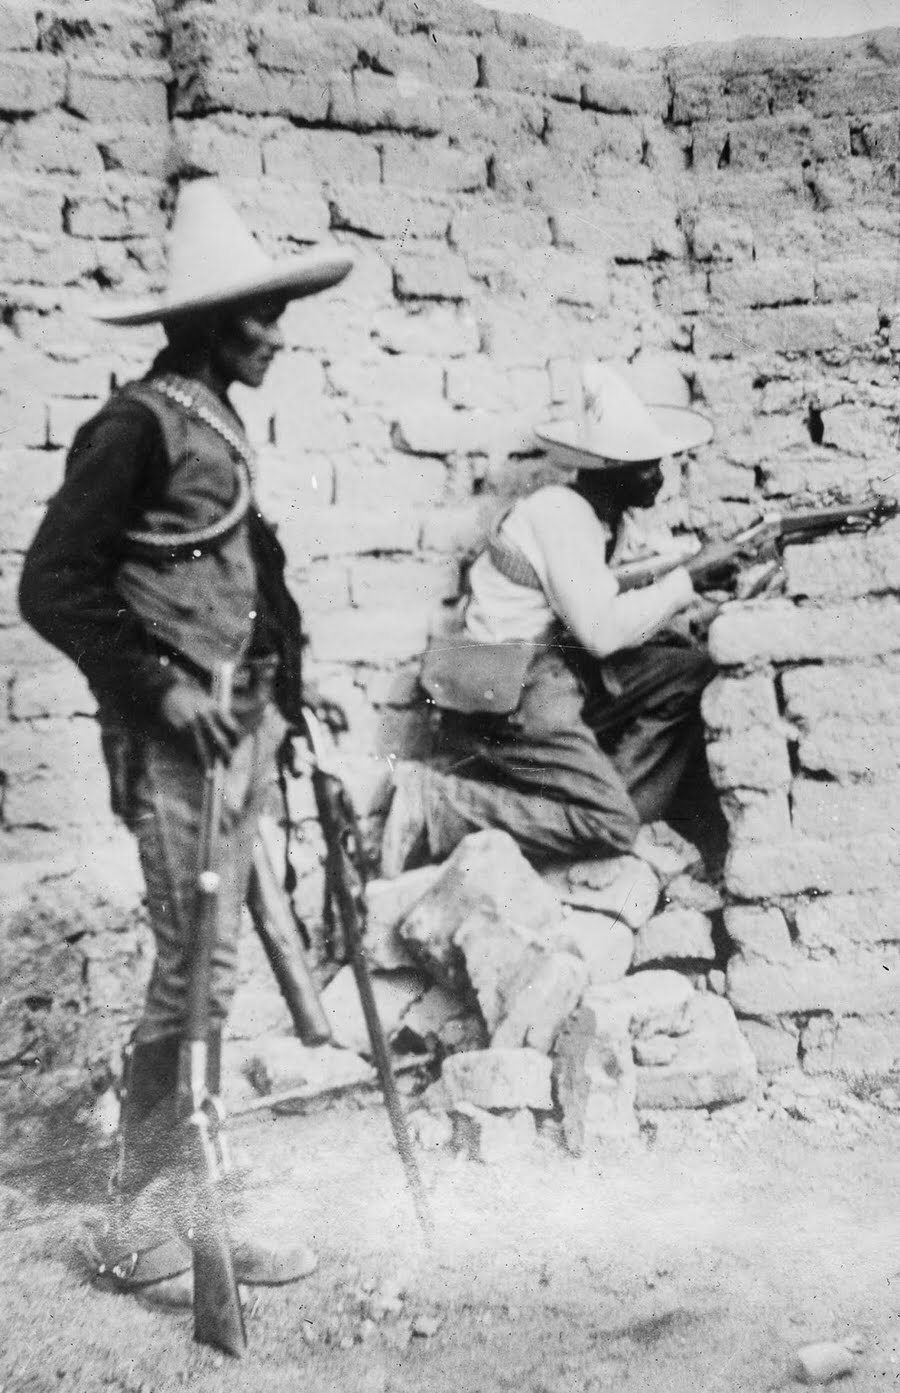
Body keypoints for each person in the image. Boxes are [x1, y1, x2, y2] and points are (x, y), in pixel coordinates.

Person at [19, 179, 353, 1297]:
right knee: (191, 969)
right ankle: (138, 1212)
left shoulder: (210, 415)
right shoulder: (134, 425)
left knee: (207, 969)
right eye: (260, 317)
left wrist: (292, 697)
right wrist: (162, 691)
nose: (275, 334)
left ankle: (179, 1194)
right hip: (174, 742)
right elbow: (54, 586)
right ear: (209, 324)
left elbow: (247, 570)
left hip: (238, 733)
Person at [381, 363, 728, 878]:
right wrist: (685, 583)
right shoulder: (561, 514)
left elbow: (597, 596)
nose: (660, 477)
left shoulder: (592, 515)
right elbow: (602, 633)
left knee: (688, 672)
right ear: (609, 471)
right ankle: (441, 805)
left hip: (549, 672)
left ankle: (593, 814)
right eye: (646, 467)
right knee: (611, 824)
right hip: (513, 687)